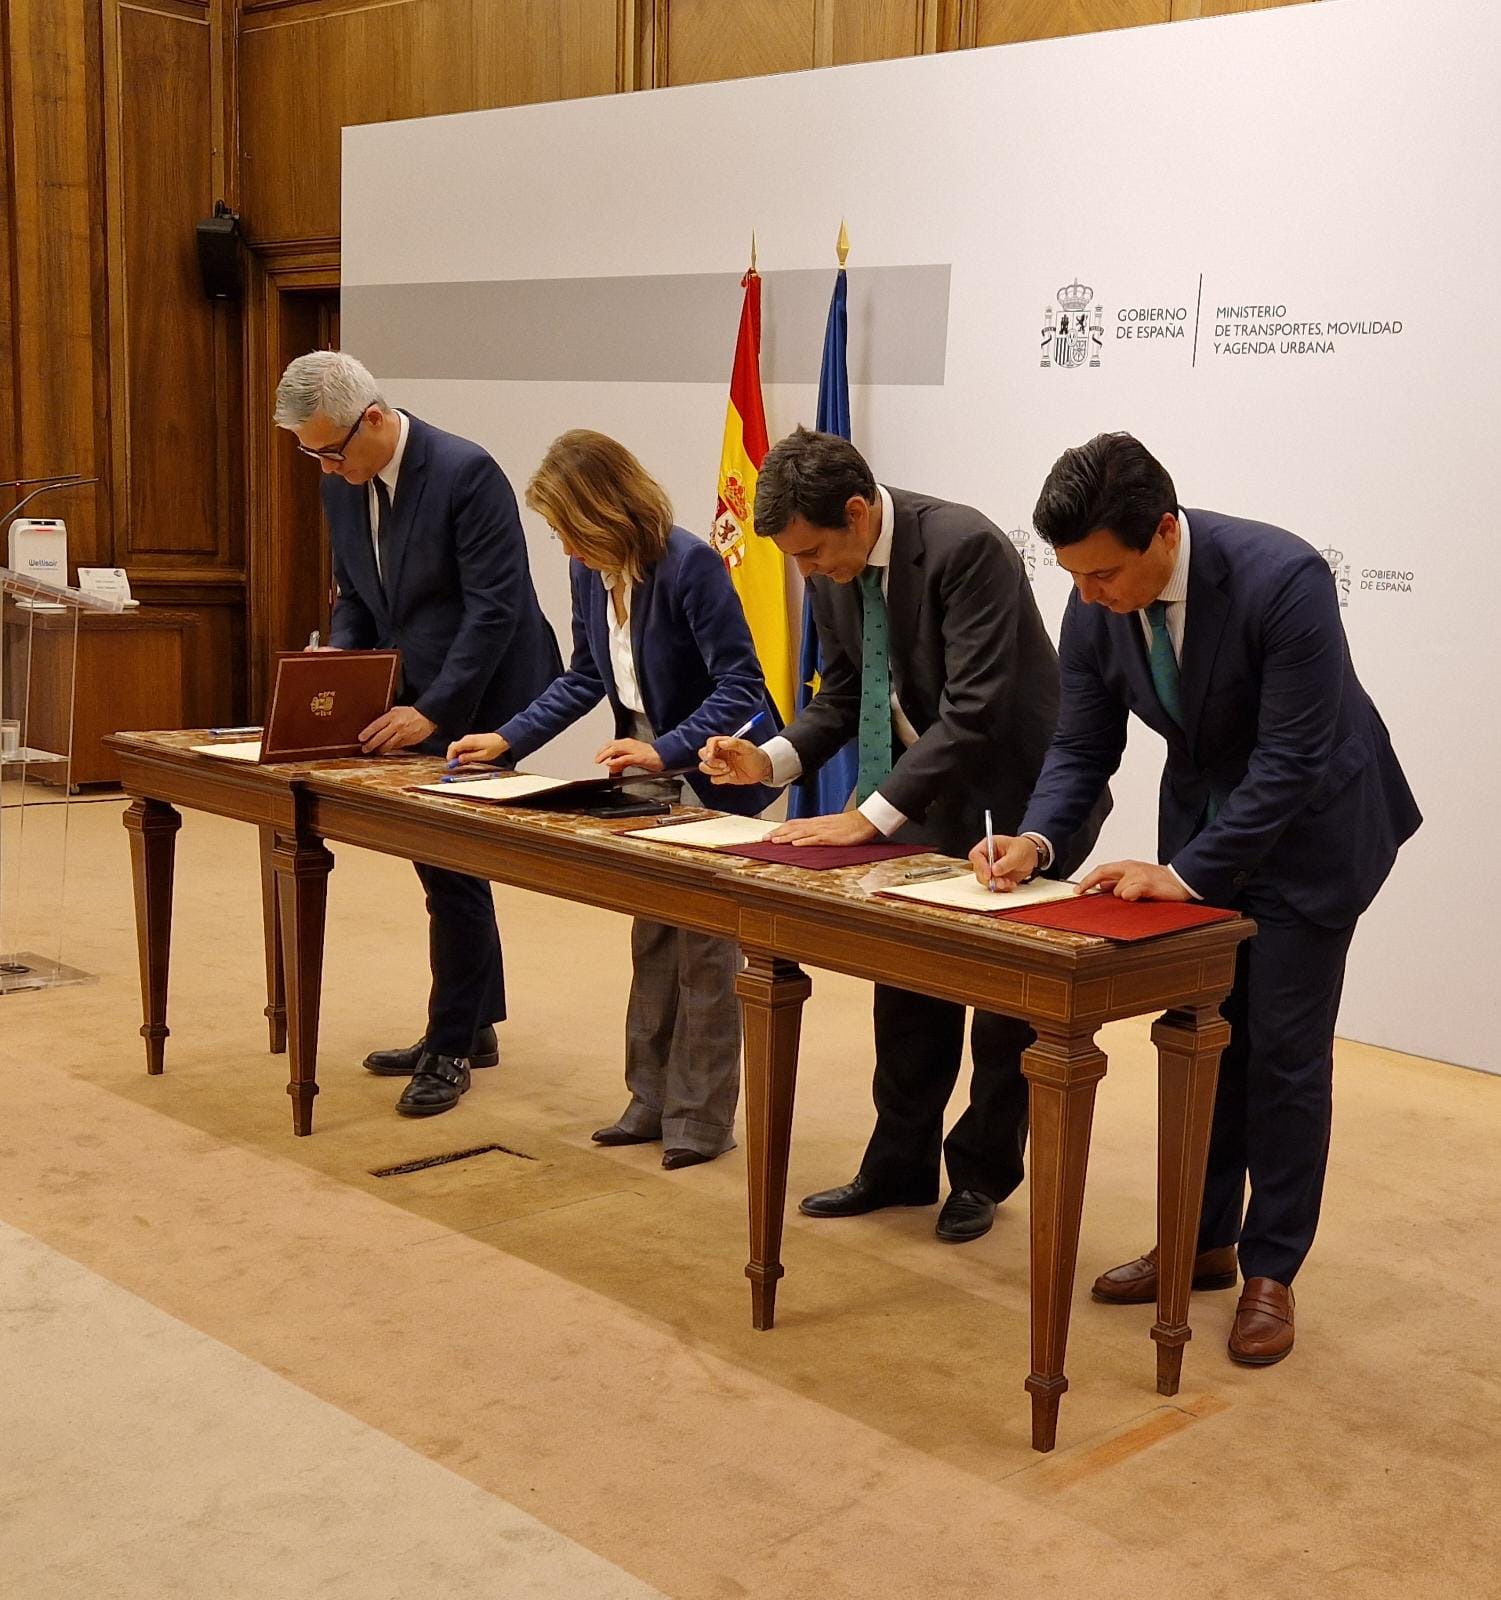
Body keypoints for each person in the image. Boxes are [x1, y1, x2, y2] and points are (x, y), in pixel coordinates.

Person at [971, 431, 1421, 1363]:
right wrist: (1035, 839)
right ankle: (1200, 1240)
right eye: (1073, 576)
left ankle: (1271, 1270)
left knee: (1282, 1054)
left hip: (1314, 832)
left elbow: (1291, 758)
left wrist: (1181, 877)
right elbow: (1081, 744)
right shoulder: (1093, 596)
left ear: (1165, 532)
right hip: (1207, 823)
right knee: (1201, 1037)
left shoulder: (1283, 577)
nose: (1087, 596)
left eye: (1103, 574)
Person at [701, 426, 1106, 1241]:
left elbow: (976, 710)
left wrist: (867, 815)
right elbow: (845, 690)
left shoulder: (965, 547)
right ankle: (899, 1165)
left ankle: (981, 1176)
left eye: (812, 553)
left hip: (1019, 801)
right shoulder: (831, 568)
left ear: (856, 513)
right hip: (922, 792)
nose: (807, 572)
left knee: (1005, 1005)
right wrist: (770, 760)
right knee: (908, 987)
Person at [449, 429, 775, 1168]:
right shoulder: (589, 573)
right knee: (652, 938)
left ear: (603, 512)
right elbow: (584, 677)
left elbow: (742, 687)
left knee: (705, 950)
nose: (564, 547)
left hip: (708, 776)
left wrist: (665, 748)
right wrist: (505, 738)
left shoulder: (688, 564)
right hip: (642, 783)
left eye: (569, 529)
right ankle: (649, 1098)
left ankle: (700, 1117)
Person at [273, 351, 561, 1118]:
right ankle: (474, 1024)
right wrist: (338, 663)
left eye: (330, 451)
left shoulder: (466, 472)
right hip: (417, 685)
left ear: (373, 419)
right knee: (443, 862)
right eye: (311, 455)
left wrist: (433, 712)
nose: (326, 469)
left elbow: (494, 610)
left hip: (491, 691)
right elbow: (356, 596)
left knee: (449, 861)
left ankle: (449, 1046)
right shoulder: (339, 482)